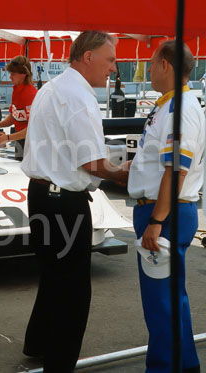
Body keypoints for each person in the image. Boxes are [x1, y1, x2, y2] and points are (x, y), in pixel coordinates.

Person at [20, 31, 130, 371]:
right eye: (110, 59)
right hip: (63, 202)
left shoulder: (52, 88)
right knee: (73, 289)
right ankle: (59, 363)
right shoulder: (78, 97)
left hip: (41, 194)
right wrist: (127, 174)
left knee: (54, 277)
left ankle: (38, 344)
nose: (114, 68)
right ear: (88, 56)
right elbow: (92, 163)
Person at [127, 40, 203, 373]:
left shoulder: (180, 108)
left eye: (151, 61)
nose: (147, 67)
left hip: (164, 214)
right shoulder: (170, 105)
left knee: (161, 305)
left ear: (165, 66)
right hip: (164, 211)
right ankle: (185, 366)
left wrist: (156, 221)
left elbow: (176, 170)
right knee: (171, 302)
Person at [0, 56, 37, 160]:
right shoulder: (16, 89)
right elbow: (14, 116)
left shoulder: (30, 94)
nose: (10, 77)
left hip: (32, 143)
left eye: (13, 74)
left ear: (23, 74)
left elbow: (33, 128)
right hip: (20, 140)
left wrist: (8, 138)